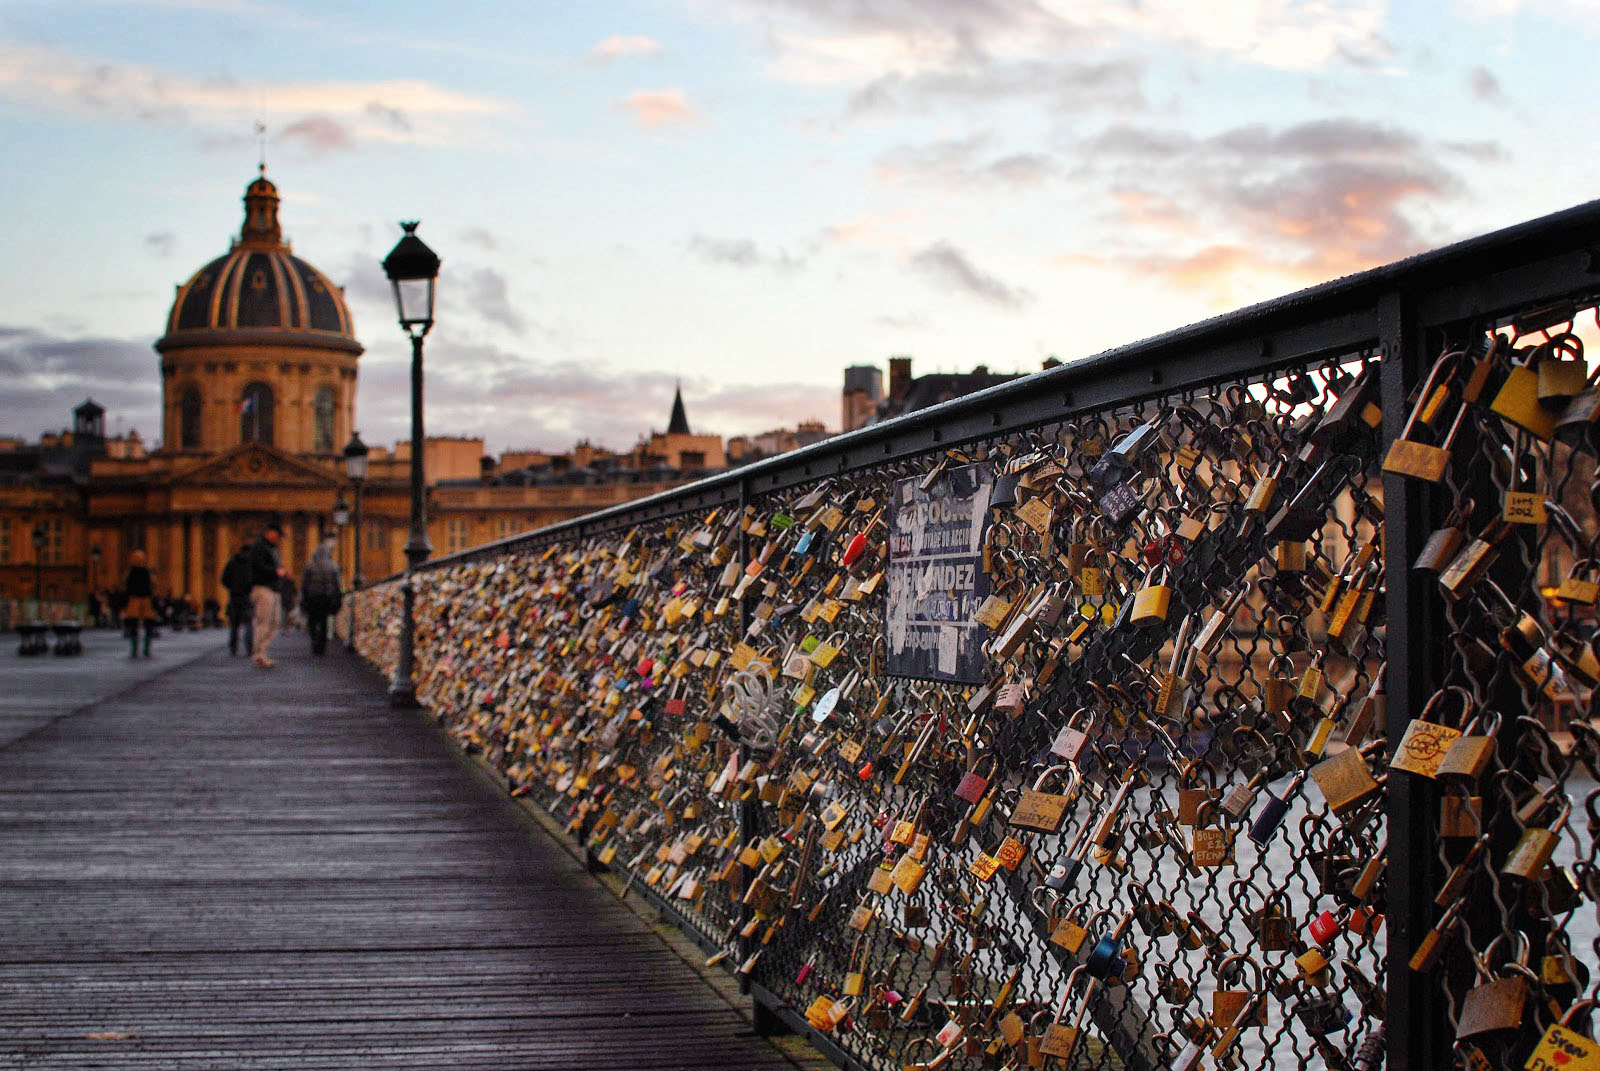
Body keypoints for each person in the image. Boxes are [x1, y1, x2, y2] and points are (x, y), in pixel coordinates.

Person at [246, 521, 286, 669]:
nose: (279, 538)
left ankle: (262, 652)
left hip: (272, 588)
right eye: (278, 535)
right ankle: (259, 655)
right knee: (263, 622)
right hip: (263, 588)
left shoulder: (270, 547)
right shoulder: (259, 547)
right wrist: (276, 572)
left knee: (275, 622)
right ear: (270, 532)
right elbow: (259, 567)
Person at [299, 536, 343, 656]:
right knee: (324, 621)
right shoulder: (333, 566)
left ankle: (314, 641)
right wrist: (337, 597)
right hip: (326, 597)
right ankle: (321, 646)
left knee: (312, 620)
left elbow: (304, 584)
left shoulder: (309, 565)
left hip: (312, 597)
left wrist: (303, 597)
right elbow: (337, 584)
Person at [121, 550, 156, 658]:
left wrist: (125, 604)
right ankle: (145, 649)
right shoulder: (147, 572)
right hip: (144, 600)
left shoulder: (130, 572)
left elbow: (126, 588)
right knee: (148, 626)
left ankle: (135, 650)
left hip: (134, 601)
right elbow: (152, 587)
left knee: (133, 626)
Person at [221, 546, 254, 656]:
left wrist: (232, 587)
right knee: (249, 623)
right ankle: (249, 648)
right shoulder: (251, 564)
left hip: (234, 596)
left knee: (234, 625)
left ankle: (233, 648)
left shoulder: (232, 563)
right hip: (248, 597)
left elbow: (224, 580)